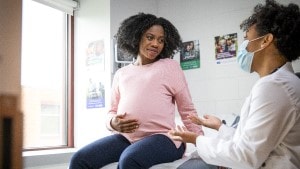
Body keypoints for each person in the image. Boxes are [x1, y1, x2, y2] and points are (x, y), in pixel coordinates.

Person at [169, 0, 300, 169]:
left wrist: (195, 139)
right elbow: (251, 140)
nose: (243, 47)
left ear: (265, 40)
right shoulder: (282, 82)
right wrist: (219, 126)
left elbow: (245, 156)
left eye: (246, 39)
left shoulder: (275, 86)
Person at [69, 12, 203, 169]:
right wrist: (113, 123)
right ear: (136, 37)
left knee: (129, 160)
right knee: (79, 159)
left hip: (165, 138)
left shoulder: (170, 67)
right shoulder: (121, 74)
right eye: (150, 37)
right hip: (126, 138)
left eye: (161, 40)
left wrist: (203, 145)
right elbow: (111, 111)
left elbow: (187, 110)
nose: (156, 44)